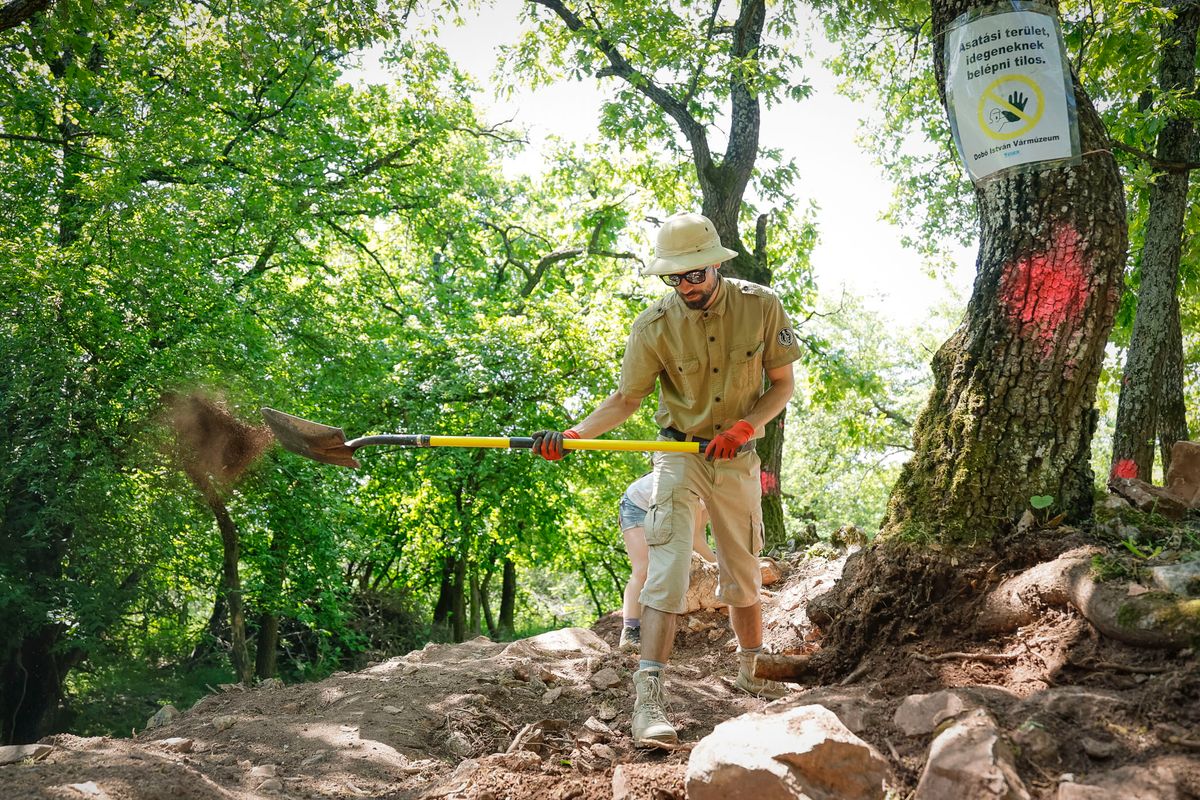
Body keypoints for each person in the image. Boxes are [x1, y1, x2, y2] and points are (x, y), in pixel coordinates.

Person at [530, 212, 800, 746]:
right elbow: (627, 399)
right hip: (678, 453)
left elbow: (782, 383)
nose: (685, 286)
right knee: (667, 571)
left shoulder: (762, 306)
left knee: (743, 570)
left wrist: (748, 425)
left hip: (739, 456)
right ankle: (648, 701)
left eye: (694, 275)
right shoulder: (652, 326)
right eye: (674, 278)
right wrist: (577, 434)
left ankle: (750, 670)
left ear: (715, 266)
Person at [618, 472, 716, 653]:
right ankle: (630, 630)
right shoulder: (695, 484)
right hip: (637, 506)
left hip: (663, 508)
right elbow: (694, 539)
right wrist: (718, 565)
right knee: (643, 568)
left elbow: (698, 532)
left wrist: (713, 562)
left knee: (672, 566)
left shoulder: (713, 495)